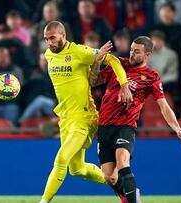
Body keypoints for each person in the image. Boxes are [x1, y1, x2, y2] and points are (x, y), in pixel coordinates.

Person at [89, 36, 181, 203]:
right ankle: (129, 194)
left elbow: (164, 106)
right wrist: (97, 61)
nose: (132, 54)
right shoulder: (119, 64)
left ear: (147, 55)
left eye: (136, 51)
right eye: (131, 50)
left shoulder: (151, 77)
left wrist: (178, 129)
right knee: (110, 177)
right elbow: (94, 82)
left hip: (125, 125)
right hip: (104, 125)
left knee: (122, 160)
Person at [39, 21, 132, 203]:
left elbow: (112, 59)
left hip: (83, 118)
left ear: (63, 36)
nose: (49, 42)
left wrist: (124, 85)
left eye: (52, 38)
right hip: (65, 119)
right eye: (46, 39)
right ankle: (117, 183)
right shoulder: (49, 55)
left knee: (61, 159)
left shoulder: (80, 52)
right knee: (77, 169)